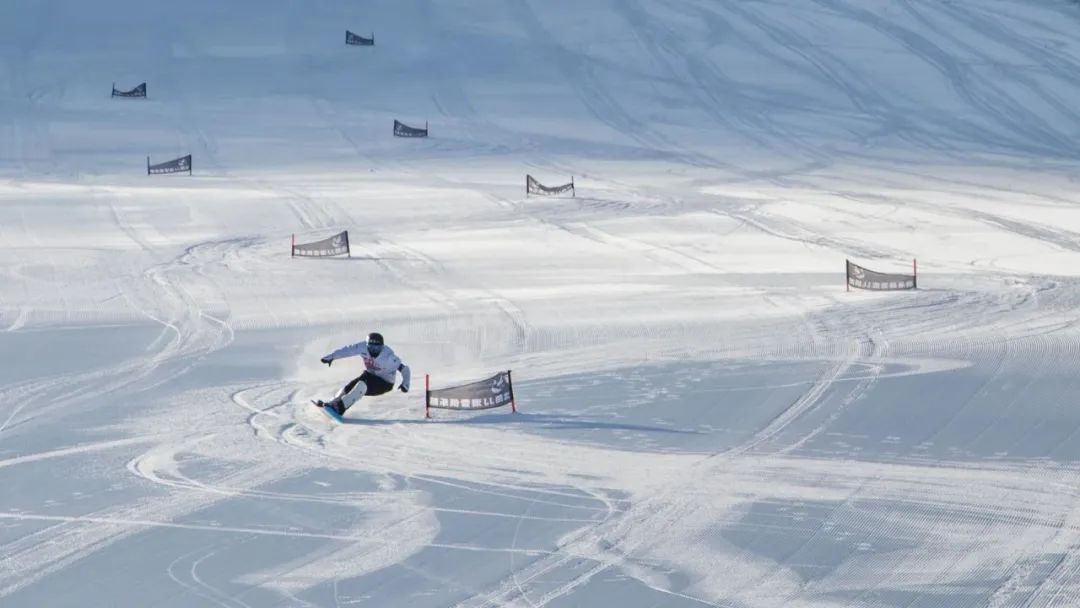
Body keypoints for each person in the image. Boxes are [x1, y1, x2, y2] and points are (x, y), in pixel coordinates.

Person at [315, 332, 411, 416]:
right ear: (367, 345)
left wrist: (405, 383)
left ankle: (340, 408)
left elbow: (405, 369)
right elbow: (347, 350)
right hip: (369, 376)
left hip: (384, 383)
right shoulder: (362, 347)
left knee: (361, 385)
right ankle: (332, 403)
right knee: (349, 386)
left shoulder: (388, 357)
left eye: (377, 348)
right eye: (371, 347)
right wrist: (332, 356)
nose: (373, 350)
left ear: (382, 347)